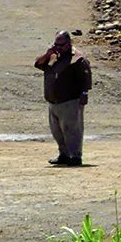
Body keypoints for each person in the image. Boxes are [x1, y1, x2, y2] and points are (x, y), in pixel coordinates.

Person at [34, 30, 91, 166]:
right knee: (57, 131)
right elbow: (38, 64)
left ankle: (75, 156)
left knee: (72, 130)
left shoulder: (77, 58)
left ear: (69, 43)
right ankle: (64, 154)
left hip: (70, 100)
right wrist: (48, 53)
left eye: (61, 45)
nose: (58, 48)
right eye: (56, 45)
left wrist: (84, 93)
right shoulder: (53, 56)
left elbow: (86, 77)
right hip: (54, 100)